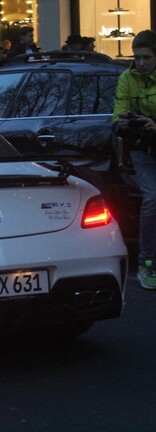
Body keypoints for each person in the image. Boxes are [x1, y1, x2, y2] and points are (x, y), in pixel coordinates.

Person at [112, 29, 156, 289]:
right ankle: (147, 262)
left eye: (146, 58)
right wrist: (125, 122)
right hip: (142, 148)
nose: (140, 63)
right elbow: (116, 119)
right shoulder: (126, 78)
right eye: (137, 57)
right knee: (153, 198)